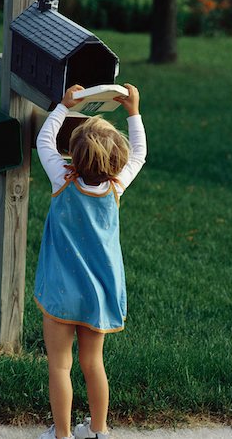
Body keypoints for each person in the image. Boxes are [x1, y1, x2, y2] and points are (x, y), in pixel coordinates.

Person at [34, 83, 147, 439]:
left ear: (74, 156)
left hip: (60, 293)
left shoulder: (61, 180)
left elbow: (43, 142)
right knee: (92, 363)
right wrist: (133, 111)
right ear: (118, 161)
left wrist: (63, 107)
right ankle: (99, 432)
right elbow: (141, 154)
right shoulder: (117, 187)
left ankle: (62, 435)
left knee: (59, 366)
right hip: (98, 296)